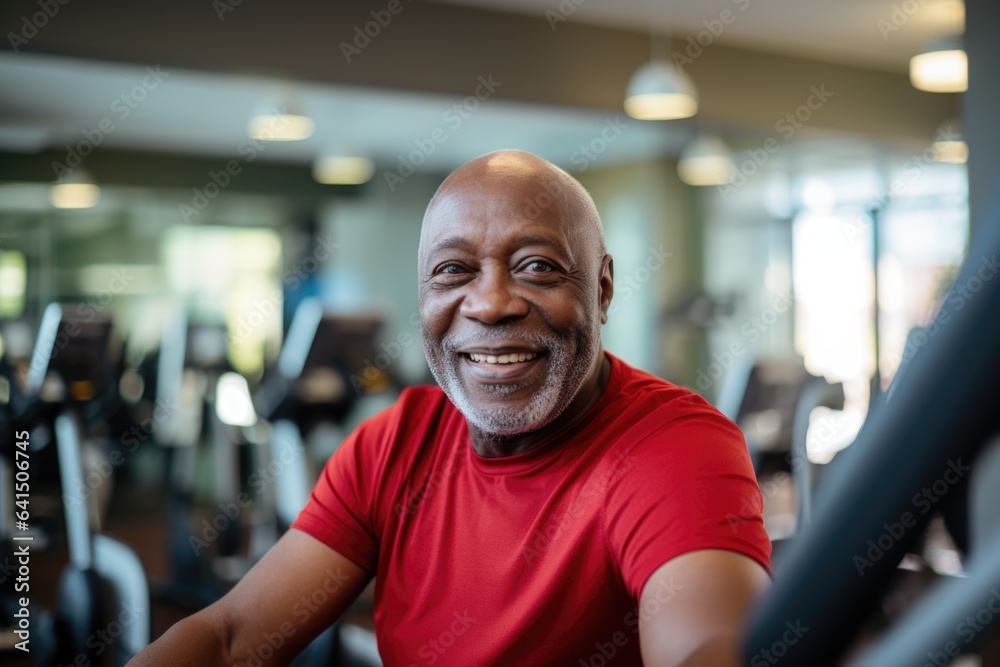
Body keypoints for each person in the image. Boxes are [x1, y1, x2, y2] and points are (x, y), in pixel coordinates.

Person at [129, 150, 771, 667]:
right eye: (454, 271)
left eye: (538, 267)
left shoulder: (674, 446)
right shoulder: (390, 446)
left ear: (601, 288)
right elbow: (235, 639)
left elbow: (706, 650)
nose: (490, 304)